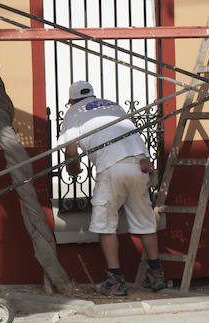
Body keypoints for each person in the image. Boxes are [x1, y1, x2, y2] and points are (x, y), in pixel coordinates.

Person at [60, 80, 165, 296]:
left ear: (71, 99)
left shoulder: (73, 111)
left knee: (105, 225)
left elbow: (71, 150)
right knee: (145, 222)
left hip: (112, 167)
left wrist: (73, 169)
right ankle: (156, 274)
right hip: (140, 164)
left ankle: (116, 280)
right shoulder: (112, 105)